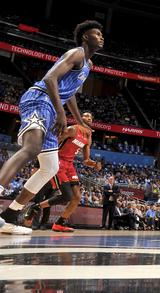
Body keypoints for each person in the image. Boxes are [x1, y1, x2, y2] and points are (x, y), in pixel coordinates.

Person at [0, 20, 103, 234]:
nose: (102, 37)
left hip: (52, 104)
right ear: (85, 37)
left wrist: (79, 120)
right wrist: (60, 112)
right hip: (39, 98)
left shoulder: (88, 65)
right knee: (32, 148)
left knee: (50, 168)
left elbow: (70, 92)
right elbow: (50, 78)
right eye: (97, 33)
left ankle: (9, 215)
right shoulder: (76, 53)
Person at [25, 112, 101, 232]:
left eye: (91, 117)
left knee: (76, 197)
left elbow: (86, 160)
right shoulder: (72, 129)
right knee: (67, 196)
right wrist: (42, 160)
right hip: (58, 162)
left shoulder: (88, 137)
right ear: (80, 118)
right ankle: (35, 207)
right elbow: (53, 142)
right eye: (86, 116)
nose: (89, 118)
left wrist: (95, 164)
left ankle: (60, 223)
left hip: (70, 165)